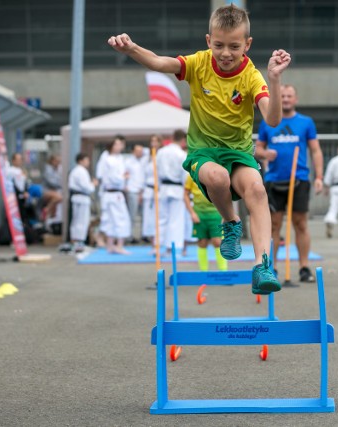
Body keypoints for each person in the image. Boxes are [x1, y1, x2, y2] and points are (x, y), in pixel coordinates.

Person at [108, 4, 291, 294]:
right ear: (209, 41)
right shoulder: (198, 63)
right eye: (219, 45)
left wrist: (275, 79)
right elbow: (158, 62)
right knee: (217, 177)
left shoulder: (252, 76)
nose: (226, 53)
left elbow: (273, 119)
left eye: (234, 46)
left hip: (239, 152)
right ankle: (230, 220)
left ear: (247, 44)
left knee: (256, 190)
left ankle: (262, 266)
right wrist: (131, 48)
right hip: (203, 151)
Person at [255, 84, 323, 283]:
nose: (285, 99)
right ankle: (272, 268)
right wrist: (265, 154)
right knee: (273, 225)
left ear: (295, 99)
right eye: (282, 96)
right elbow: (258, 149)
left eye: (289, 96)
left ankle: (303, 267)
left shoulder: (306, 122)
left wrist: (319, 177)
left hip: (299, 179)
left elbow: (316, 150)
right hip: (274, 181)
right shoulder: (268, 122)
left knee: (300, 223)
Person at [184, 174, 228, 271]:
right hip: (199, 213)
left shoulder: (216, 173)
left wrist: (225, 213)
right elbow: (185, 194)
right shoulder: (191, 175)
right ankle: (203, 272)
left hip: (216, 213)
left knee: (217, 241)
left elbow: (226, 193)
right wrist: (192, 213)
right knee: (202, 242)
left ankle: (223, 272)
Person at [155, 129, 188, 254]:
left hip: (163, 188)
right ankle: (171, 249)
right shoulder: (181, 154)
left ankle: (157, 247)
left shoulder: (161, 152)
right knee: (175, 219)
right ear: (183, 140)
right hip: (177, 188)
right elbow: (185, 175)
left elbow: (156, 171)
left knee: (161, 218)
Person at [98, 135, 132, 254]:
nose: (119, 146)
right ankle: (113, 245)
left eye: (120, 144)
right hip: (111, 192)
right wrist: (123, 177)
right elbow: (112, 177)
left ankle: (116, 245)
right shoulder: (107, 158)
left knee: (116, 219)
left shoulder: (119, 158)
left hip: (116, 192)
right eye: (117, 144)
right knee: (114, 219)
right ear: (112, 146)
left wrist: (124, 178)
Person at [68, 153, 98, 252]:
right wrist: (93, 184)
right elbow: (87, 187)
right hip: (81, 198)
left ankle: (76, 243)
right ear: (80, 160)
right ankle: (79, 244)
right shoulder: (81, 171)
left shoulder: (75, 171)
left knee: (76, 221)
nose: (88, 162)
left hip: (77, 197)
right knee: (82, 221)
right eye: (87, 160)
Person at [141, 134, 162, 244]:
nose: (153, 143)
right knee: (149, 218)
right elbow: (142, 175)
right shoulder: (147, 158)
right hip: (149, 190)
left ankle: (158, 242)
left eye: (156, 141)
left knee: (160, 217)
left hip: (160, 190)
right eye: (152, 141)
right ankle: (153, 242)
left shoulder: (162, 156)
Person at [124, 144, 146, 244]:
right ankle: (129, 236)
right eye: (138, 151)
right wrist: (126, 188)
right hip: (132, 191)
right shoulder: (128, 162)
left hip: (142, 191)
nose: (140, 153)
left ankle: (143, 235)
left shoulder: (143, 161)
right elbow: (124, 175)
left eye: (141, 151)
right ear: (133, 151)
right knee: (132, 215)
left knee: (143, 216)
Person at [41, 154, 63, 222]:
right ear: (52, 161)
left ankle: (49, 220)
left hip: (54, 191)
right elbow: (51, 182)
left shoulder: (56, 169)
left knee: (54, 210)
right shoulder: (48, 169)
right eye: (57, 161)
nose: (58, 163)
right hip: (46, 191)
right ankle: (47, 209)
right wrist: (61, 184)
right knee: (59, 197)